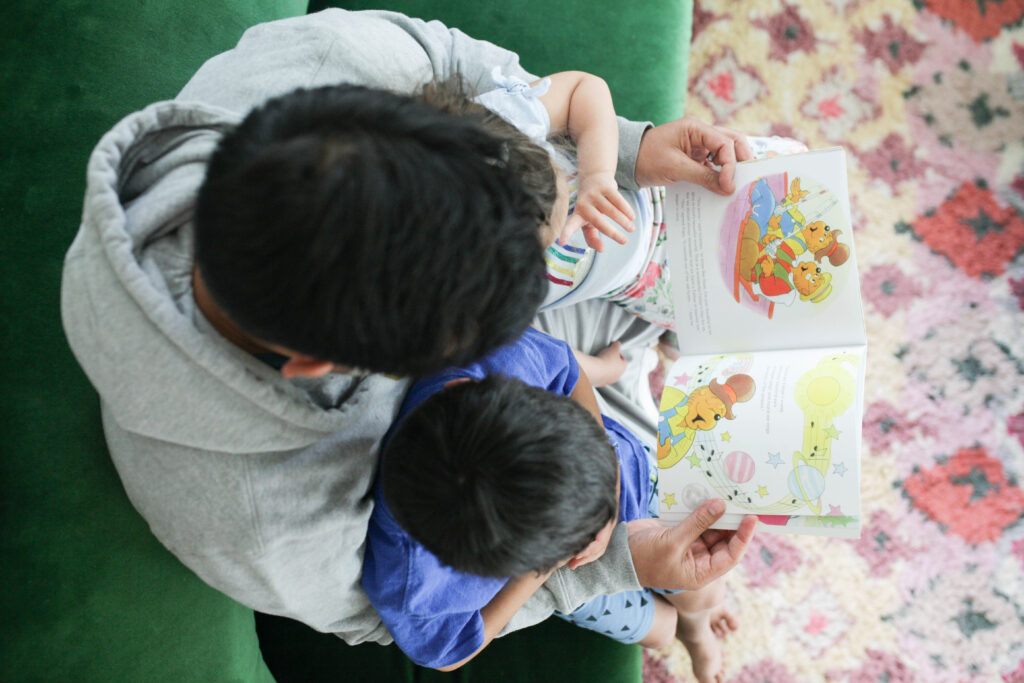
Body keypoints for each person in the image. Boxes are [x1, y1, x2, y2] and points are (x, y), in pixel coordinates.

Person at [61, 8, 756, 646]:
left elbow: (506, 100)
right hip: (518, 464)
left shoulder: (333, 56)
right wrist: (595, 562)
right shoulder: (263, 528)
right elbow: (409, 618)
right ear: (318, 364)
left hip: (547, 382)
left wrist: (628, 152)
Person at [364, 328, 754, 680]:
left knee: (703, 590)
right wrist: (547, 567)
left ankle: (699, 628)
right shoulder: (410, 582)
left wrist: (608, 463)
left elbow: (567, 367)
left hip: (623, 476)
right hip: (565, 567)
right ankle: (688, 629)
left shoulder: (493, 360)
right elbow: (447, 653)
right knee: (661, 630)